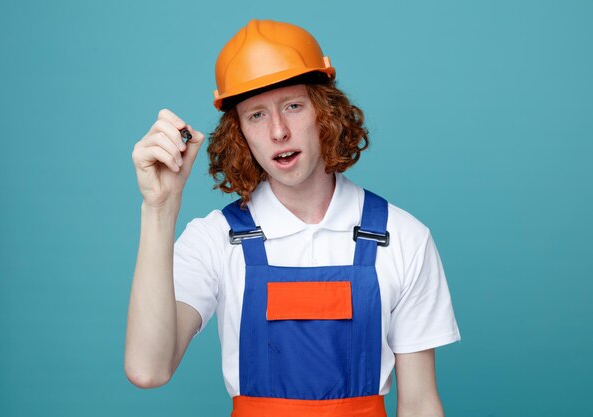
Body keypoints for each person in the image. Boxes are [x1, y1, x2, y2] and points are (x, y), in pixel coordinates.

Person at [125, 19, 460, 417]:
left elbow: (420, 403)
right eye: (256, 115)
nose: (278, 131)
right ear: (240, 134)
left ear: (326, 112)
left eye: (293, 106)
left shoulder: (402, 236)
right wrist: (160, 209)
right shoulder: (214, 240)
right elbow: (149, 370)